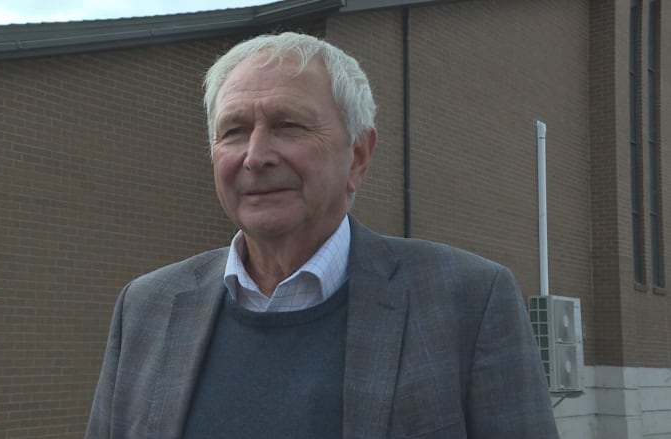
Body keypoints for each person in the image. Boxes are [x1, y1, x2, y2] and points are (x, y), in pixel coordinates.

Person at [85, 32, 558, 438]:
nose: (255, 156)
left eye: (288, 125)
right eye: (234, 130)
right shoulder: (145, 308)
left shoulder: (469, 301)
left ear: (358, 156)